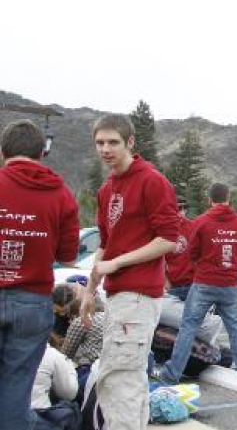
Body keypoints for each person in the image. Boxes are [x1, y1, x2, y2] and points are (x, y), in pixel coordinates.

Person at [82, 113, 181, 430]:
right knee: (130, 381)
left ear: (130, 143)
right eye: (100, 142)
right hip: (118, 295)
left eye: (113, 142)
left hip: (138, 295)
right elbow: (106, 245)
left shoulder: (151, 180)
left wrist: (119, 262)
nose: (105, 149)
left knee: (118, 381)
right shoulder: (107, 187)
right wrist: (88, 290)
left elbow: (168, 239)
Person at [0, 119, 79, 430]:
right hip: (32, 302)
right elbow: (69, 256)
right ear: (41, 154)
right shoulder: (61, 194)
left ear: (3, 151)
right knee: (16, 391)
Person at [154, 183, 237, 383]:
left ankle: (173, 373)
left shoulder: (200, 222)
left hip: (204, 282)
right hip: (229, 283)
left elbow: (192, 254)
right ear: (228, 198)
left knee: (189, 326)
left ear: (210, 200)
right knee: (236, 326)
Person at [164, 198, 194, 302]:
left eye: (185, 207)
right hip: (172, 285)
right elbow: (158, 258)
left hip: (193, 285)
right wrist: (165, 280)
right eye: (178, 208)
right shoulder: (163, 230)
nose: (182, 211)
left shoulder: (194, 227)